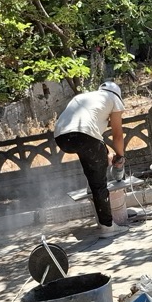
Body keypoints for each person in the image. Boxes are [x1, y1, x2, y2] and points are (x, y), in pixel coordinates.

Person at [54, 81, 126, 238]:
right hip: (84, 135)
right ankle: (107, 227)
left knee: (93, 161)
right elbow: (118, 135)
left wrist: (107, 152)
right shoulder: (113, 98)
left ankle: (94, 198)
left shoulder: (85, 97)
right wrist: (120, 156)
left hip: (61, 138)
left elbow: (93, 139)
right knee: (99, 183)